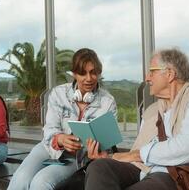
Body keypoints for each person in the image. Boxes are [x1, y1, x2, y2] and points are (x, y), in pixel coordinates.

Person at [84, 48, 189, 190]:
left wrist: (135, 154)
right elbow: (136, 154)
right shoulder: (152, 111)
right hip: (145, 168)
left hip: (181, 173)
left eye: (151, 72)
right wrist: (109, 157)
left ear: (169, 74)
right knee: (100, 167)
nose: (147, 78)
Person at [7, 48, 117, 190]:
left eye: (93, 72)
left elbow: (107, 143)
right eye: (83, 73)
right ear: (74, 74)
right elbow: (50, 128)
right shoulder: (59, 93)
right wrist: (59, 139)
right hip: (48, 148)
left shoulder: (108, 102)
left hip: (78, 157)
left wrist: (95, 150)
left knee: (41, 183)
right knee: (21, 179)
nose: (89, 78)